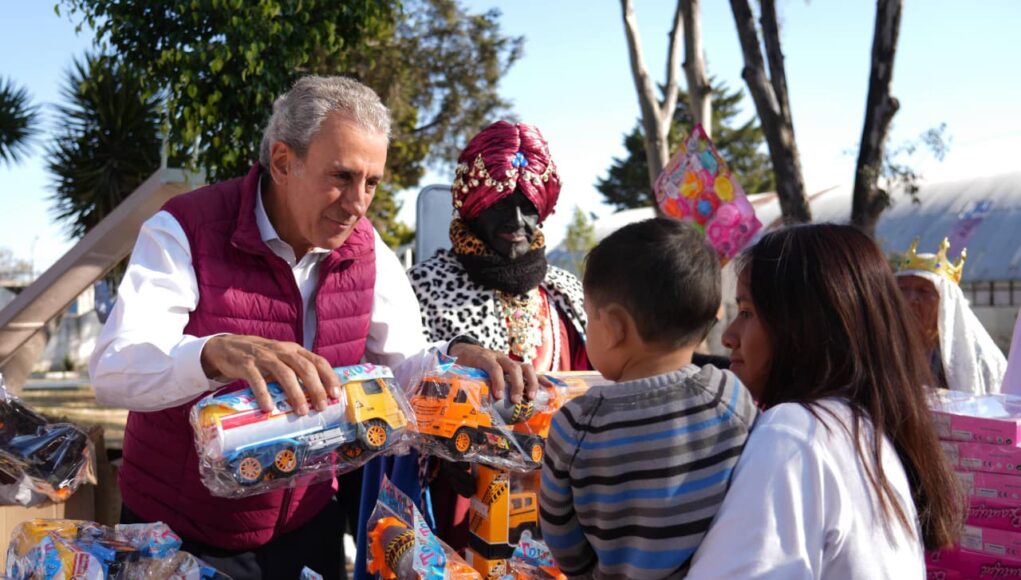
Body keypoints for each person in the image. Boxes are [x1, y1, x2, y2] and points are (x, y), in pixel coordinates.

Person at [88, 76, 539, 580]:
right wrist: (213, 353)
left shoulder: (370, 251)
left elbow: (402, 368)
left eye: (372, 183)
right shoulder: (185, 230)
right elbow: (114, 369)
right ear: (283, 162)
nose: (358, 202)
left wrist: (458, 358)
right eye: (342, 176)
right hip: (177, 537)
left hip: (307, 532)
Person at [354, 121, 588, 576]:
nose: (517, 222)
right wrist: (437, 459)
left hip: (552, 521)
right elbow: (385, 407)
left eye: (529, 206)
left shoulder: (565, 295)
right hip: (447, 524)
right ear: (472, 205)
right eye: (502, 205)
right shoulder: (417, 291)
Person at [688, 224, 962, 578]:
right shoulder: (860, 428)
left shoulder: (796, 434)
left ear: (802, 327)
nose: (728, 337)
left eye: (746, 313)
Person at [538, 218, 759, 578]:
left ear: (613, 328)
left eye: (589, 319)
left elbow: (562, 540)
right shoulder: (729, 395)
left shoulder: (576, 425)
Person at [893, 237, 1006, 394]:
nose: (911, 300)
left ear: (946, 302)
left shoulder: (978, 358)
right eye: (903, 290)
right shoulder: (886, 346)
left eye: (923, 291)